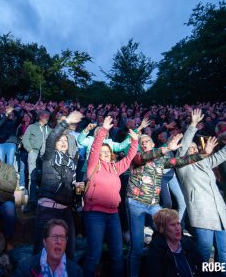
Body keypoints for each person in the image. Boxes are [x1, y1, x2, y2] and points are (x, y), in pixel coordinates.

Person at [127, 133, 214, 277]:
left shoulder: (161, 161)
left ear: (153, 144)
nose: (144, 143)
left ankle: (170, 264)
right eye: (141, 142)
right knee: (136, 247)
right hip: (136, 204)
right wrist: (166, 147)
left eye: (147, 141)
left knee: (170, 230)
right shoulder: (136, 157)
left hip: (154, 205)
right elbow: (146, 157)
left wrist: (203, 154)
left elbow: (180, 161)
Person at [82, 116, 139, 277]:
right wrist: (103, 131)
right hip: (94, 214)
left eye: (108, 151)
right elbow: (94, 148)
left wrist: (134, 142)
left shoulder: (116, 168)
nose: (105, 153)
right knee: (94, 256)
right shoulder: (93, 166)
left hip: (113, 215)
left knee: (118, 256)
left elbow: (128, 159)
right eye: (103, 151)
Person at [176, 109, 226, 271]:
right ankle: (202, 275)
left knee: (223, 253)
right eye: (188, 149)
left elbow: (222, 155)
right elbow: (183, 148)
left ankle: (219, 275)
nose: (191, 150)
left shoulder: (205, 163)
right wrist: (193, 125)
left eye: (194, 148)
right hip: (202, 213)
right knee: (204, 252)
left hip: (220, 214)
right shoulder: (182, 167)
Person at [33, 111, 84, 260]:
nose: (63, 142)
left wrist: (80, 199)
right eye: (59, 140)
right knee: (39, 252)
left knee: (70, 252)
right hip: (47, 209)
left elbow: (76, 185)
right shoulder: (49, 156)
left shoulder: (72, 161)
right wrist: (66, 121)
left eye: (65, 141)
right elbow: (52, 137)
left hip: (66, 210)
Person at [146, 208, 205, 277]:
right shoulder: (156, 250)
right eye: (173, 225)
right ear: (162, 228)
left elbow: (203, 267)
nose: (177, 228)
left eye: (178, 223)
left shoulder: (188, 243)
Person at [14, 219, 83, 277]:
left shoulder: (76, 272)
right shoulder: (25, 268)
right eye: (55, 237)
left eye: (62, 237)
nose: (59, 241)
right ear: (45, 242)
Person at [22, 110, 51, 212]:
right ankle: (32, 202)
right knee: (32, 178)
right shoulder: (32, 127)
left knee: (45, 179)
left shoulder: (49, 129)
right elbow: (25, 139)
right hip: (33, 153)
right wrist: (30, 150)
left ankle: (43, 203)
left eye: (48, 116)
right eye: (45, 116)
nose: (47, 117)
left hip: (45, 156)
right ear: (40, 116)